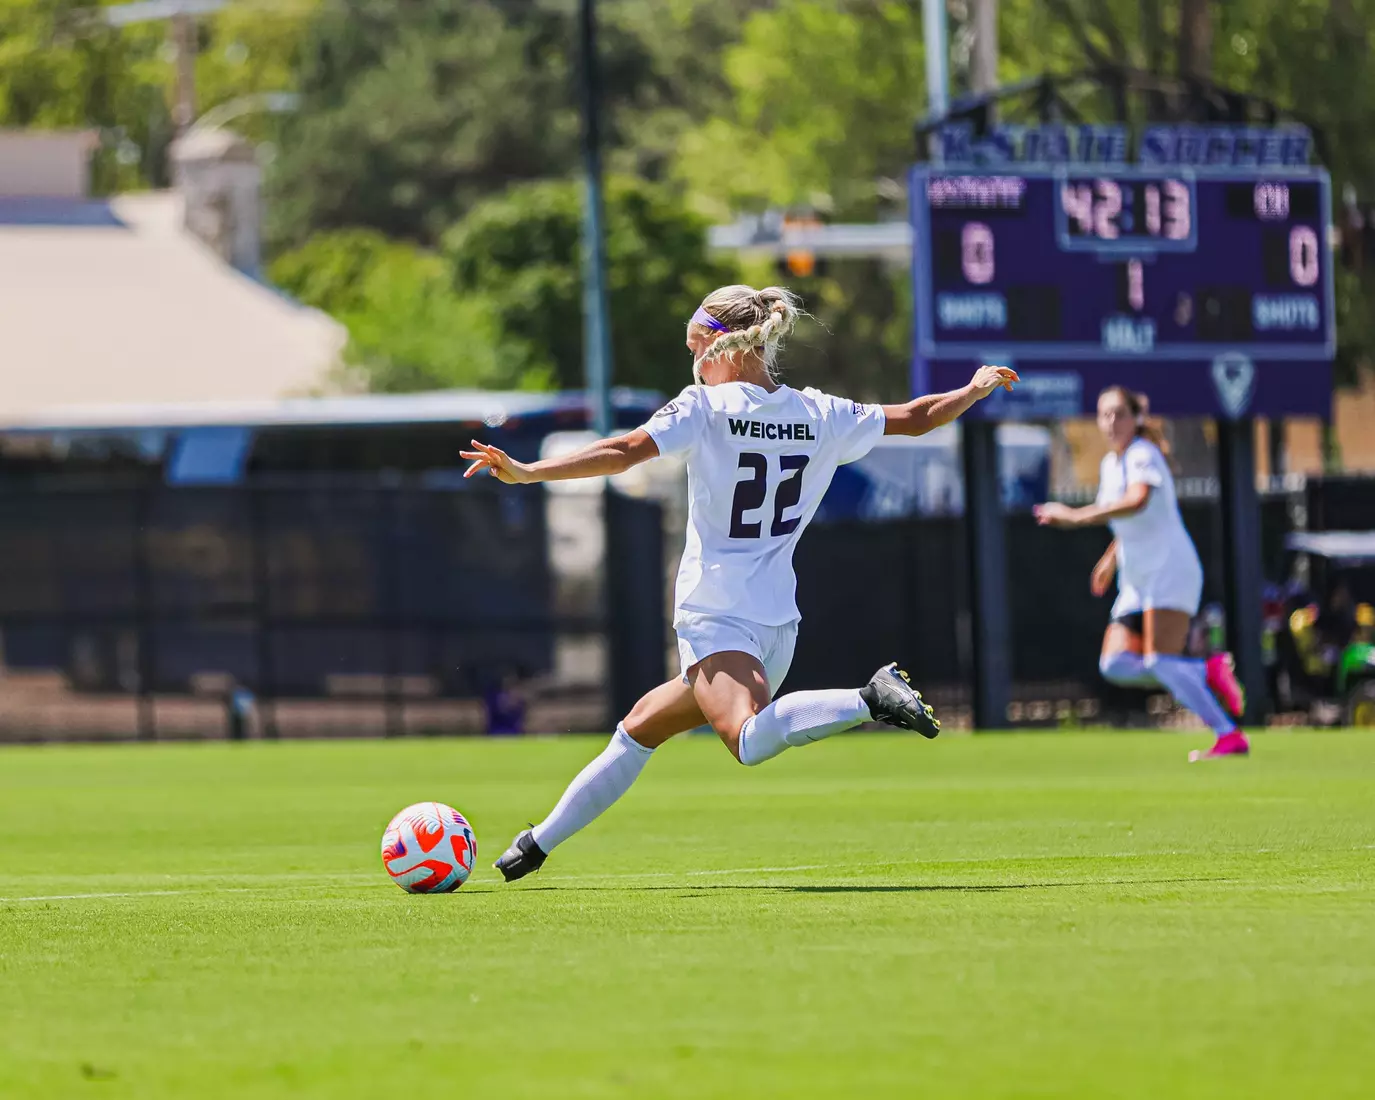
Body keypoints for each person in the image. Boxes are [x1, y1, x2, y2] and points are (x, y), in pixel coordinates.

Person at [460, 284, 1019, 880]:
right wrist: (973, 389)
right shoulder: (819, 412)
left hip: (717, 612)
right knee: (640, 728)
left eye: (695, 347)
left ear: (721, 346)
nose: (692, 362)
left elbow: (624, 450)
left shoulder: (704, 408)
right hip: (778, 622)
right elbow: (914, 418)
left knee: (748, 740)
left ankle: (869, 698)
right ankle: (536, 845)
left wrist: (529, 472)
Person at [1033, 386, 1248, 762]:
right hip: (1136, 579)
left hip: (1170, 570)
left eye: (1119, 414)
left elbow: (1137, 501)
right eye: (1104, 415)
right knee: (1114, 664)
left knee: (1160, 661)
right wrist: (1109, 559)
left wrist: (1074, 516)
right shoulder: (1109, 465)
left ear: (1137, 419)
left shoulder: (1142, 454)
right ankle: (1205, 670)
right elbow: (1126, 519)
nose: (1111, 422)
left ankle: (1228, 735)